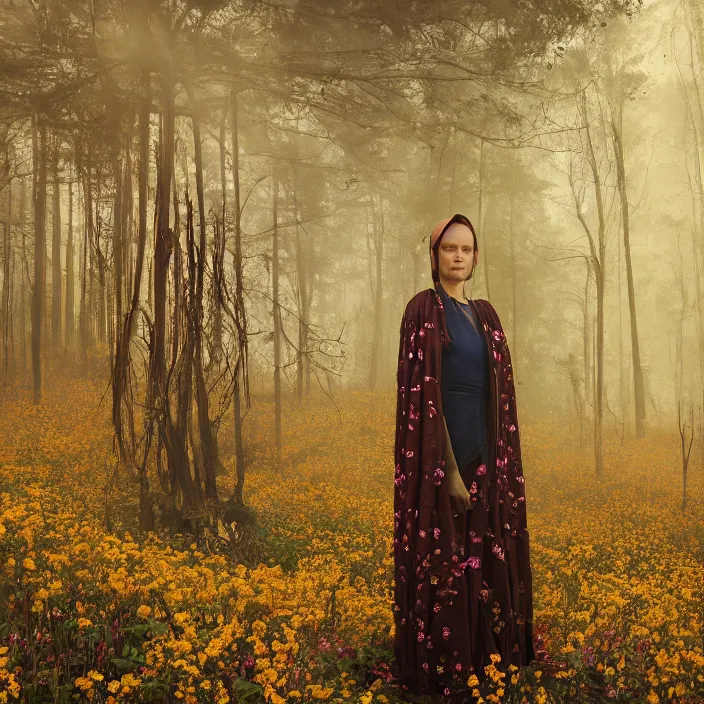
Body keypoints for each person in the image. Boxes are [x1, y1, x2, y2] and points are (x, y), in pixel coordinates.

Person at [392, 213, 535, 701]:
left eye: (466, 249)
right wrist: (447, 470)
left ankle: (481, 659)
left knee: (481, 552)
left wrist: (496, 465)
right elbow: (422, 395)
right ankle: (441, 665)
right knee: (446, 558)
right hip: (441, 457)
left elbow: (500, 394)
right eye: (449, 248)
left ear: (475, 257)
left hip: (486, 454)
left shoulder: (485, 315)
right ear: (435, 256)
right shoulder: (422, 311)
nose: (458, 256)